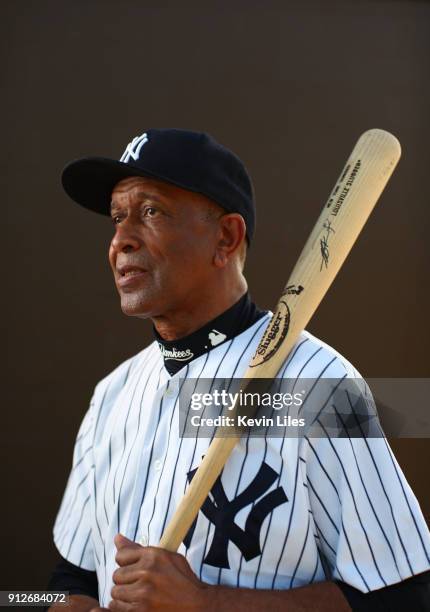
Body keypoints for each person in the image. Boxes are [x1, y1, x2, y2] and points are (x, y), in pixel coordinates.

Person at [48, 129, 430, 611]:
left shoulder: (315, 385)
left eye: (150, 212)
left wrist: (208, 604)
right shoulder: (111, 394)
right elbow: (70, 576)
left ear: (225, 238)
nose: (121, 241)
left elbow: (405, 598)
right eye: (117, 218)